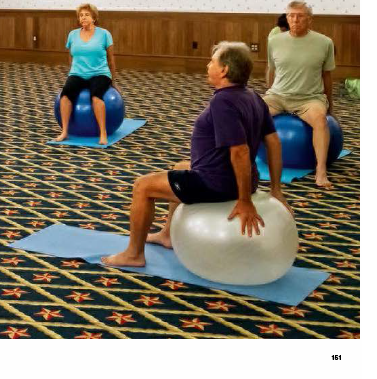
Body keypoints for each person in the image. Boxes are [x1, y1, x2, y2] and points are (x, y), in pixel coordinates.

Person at [101, 42, 290, 268]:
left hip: (215, 183)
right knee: (181, 167)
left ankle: (134, 254)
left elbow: (240, 151)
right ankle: (167, 235)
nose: (208, 65)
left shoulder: (223, 101)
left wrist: (244, 200)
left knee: (143, 186)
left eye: (212, 62)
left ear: (224, 70)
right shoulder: (253, 97)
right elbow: (273, 141)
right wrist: (276, 189)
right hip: (236, 178)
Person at [265, 0, 337, 188]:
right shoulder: (274, 41)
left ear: (309, 19)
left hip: (309, 99)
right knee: (250, 114)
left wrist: (330, 104)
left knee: (320, 120)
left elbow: (327, 76)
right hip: (277, 96)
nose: (295, 20)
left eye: (300, 16)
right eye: (291, 15)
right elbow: (271, 70)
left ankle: (321, 170)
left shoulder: (325, 43)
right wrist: (268, 93)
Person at [53, 4, 117, 145]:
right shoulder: (72, 34)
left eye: (87, 15)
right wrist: (73, 73)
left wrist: (113, 80)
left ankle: (103, 133)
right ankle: (64, 132)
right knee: (65, 95)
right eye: (81, 15)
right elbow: (70, 56)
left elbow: (111, 59)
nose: (83, 17)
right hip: (78, 73)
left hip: (100, 73)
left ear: (94, 18)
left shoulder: (104, 34)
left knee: (96, 96)